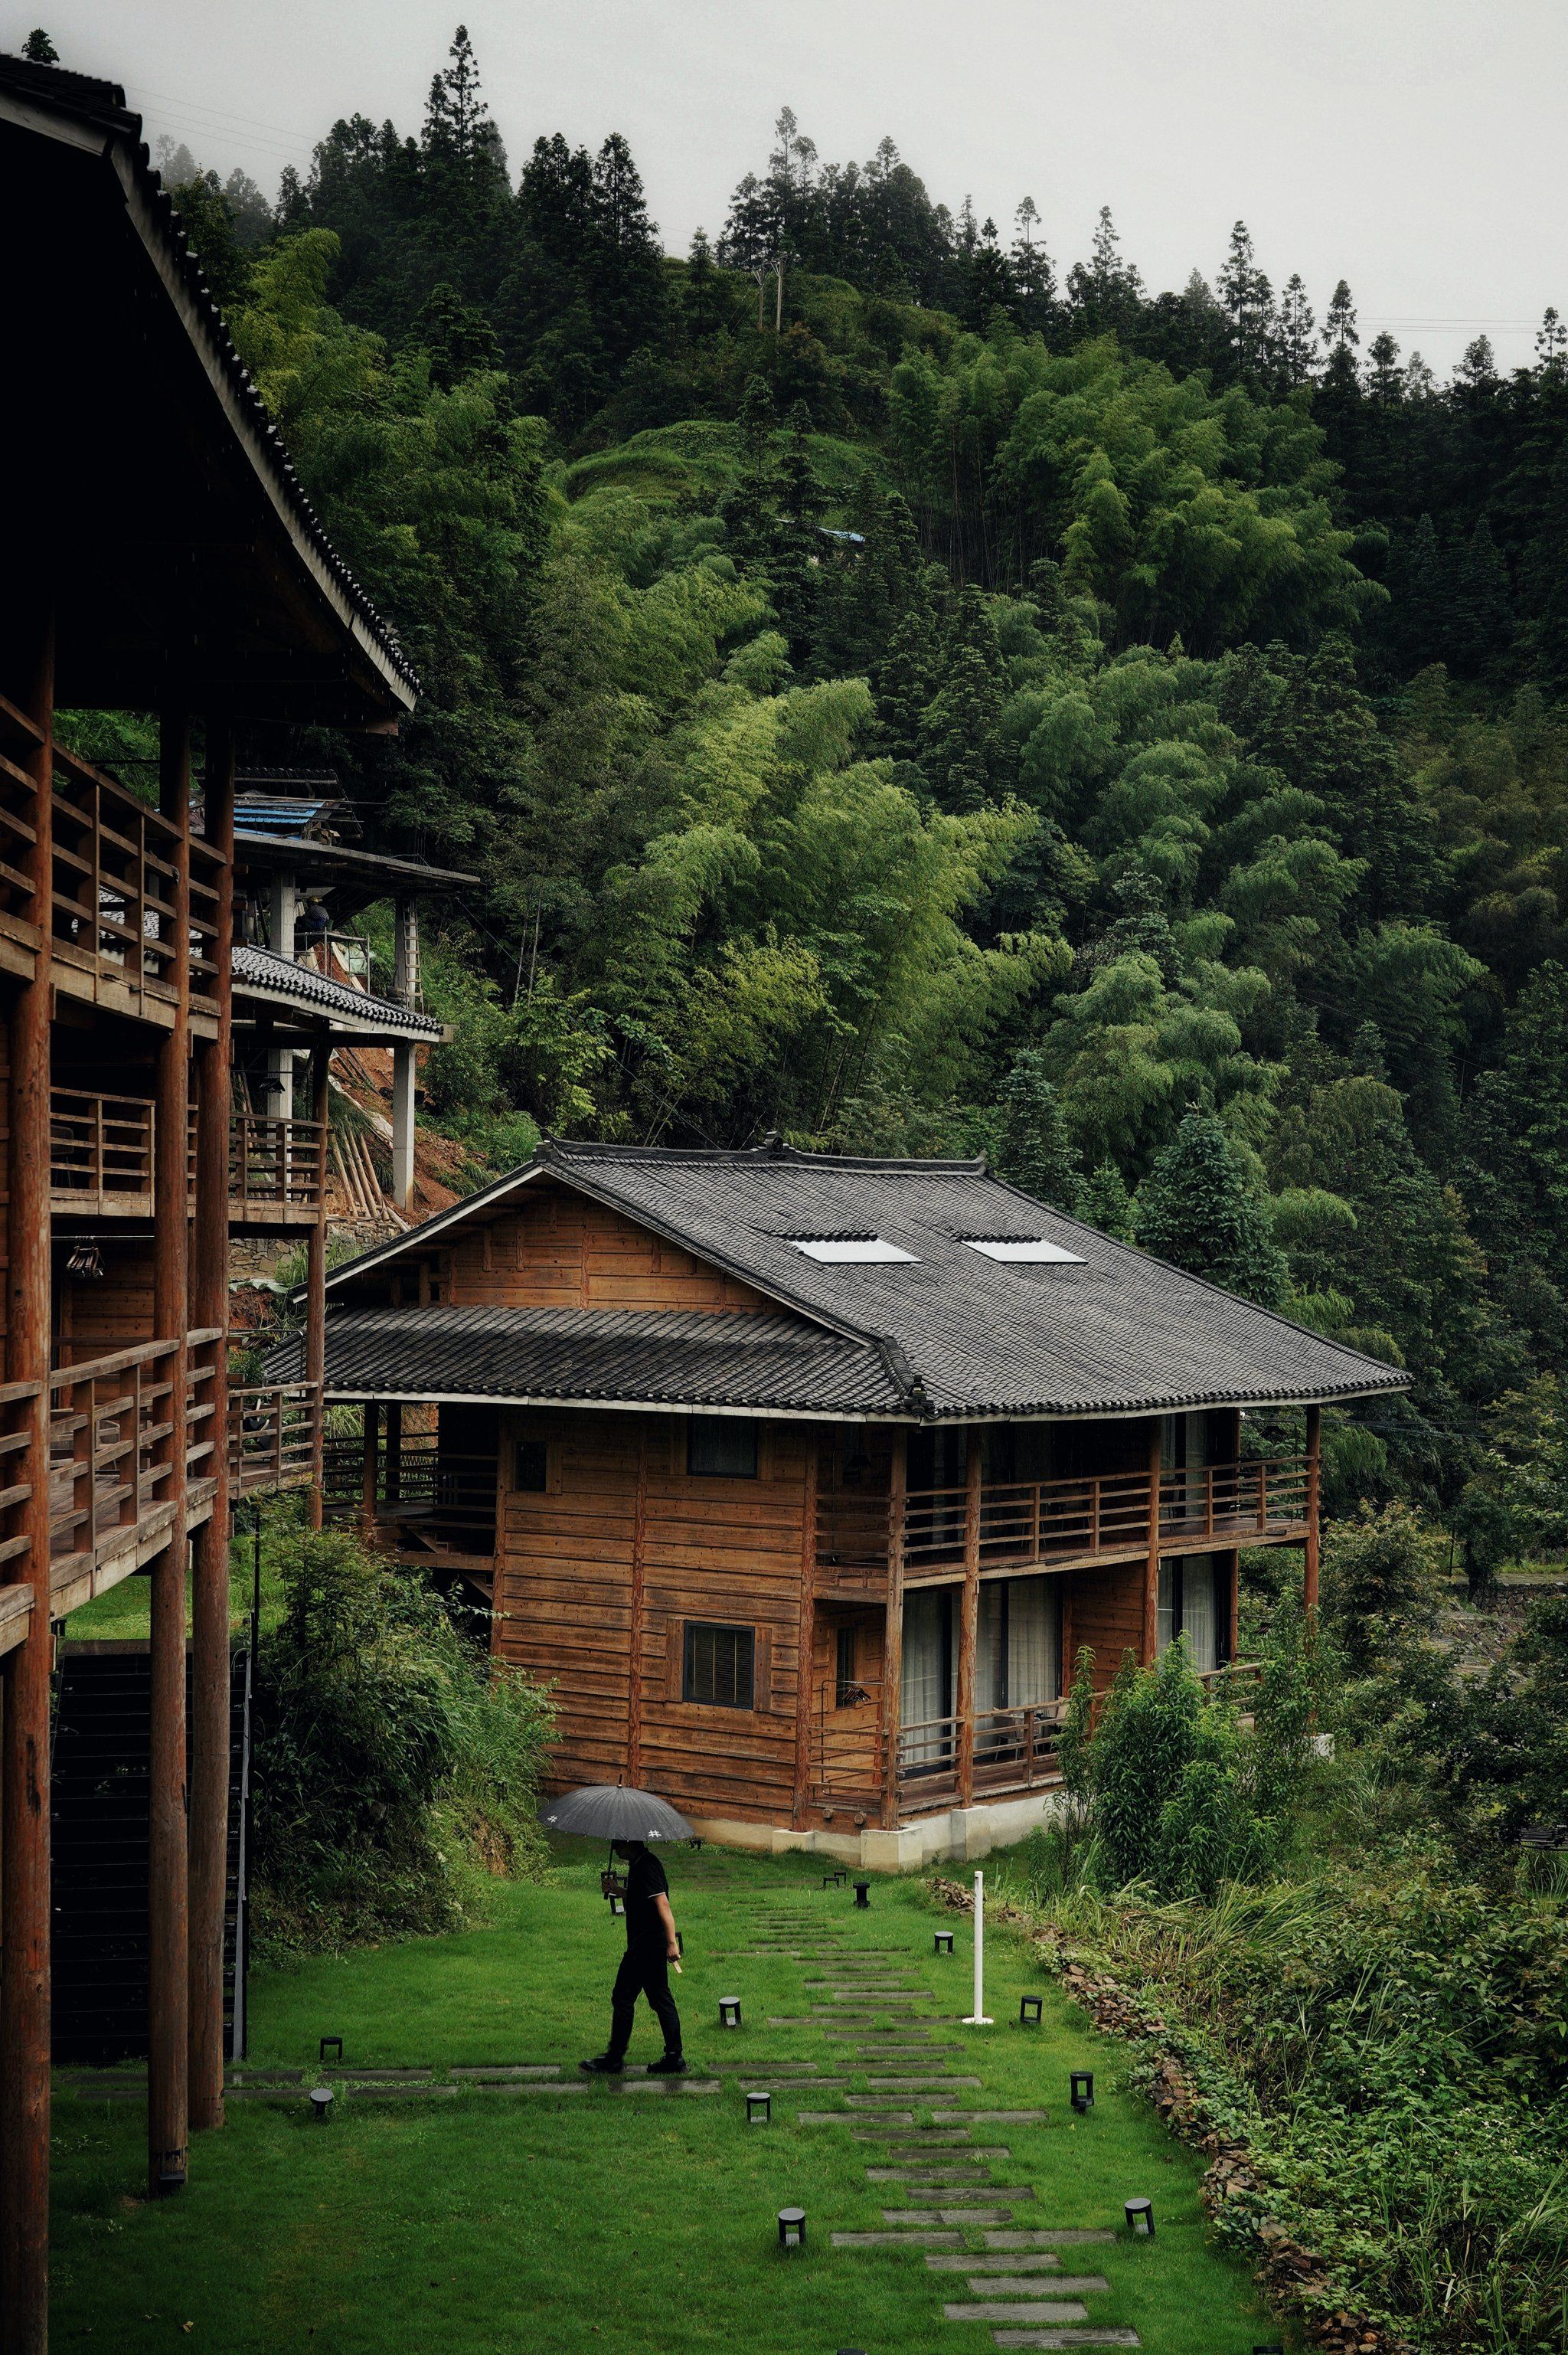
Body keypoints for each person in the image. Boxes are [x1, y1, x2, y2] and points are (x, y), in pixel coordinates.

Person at [580, 1839, 686, 2075]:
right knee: (659, 1999)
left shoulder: (647, 1866)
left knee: (623, 1997)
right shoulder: (639, 1864)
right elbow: (641, 1900)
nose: (614, 1848)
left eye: (618, 1843)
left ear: (631, 1843)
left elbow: (663, 1905)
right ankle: (674, 2057)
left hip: (646, 1946)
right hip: (645, 1944)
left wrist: (671, 1944)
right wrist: (618, 1891)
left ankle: (615, 2058)